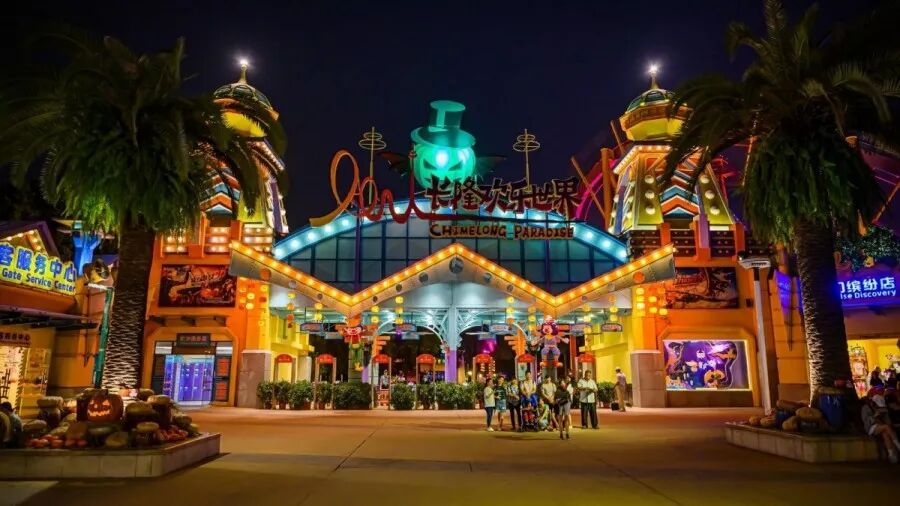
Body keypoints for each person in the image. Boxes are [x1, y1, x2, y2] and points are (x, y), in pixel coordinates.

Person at [861, 389, 900, 463]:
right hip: (871, 427)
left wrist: (883, 414)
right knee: (886, 427)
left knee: (885, 434)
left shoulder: (880, 407)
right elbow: (865, 420)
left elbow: (887, 420)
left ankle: (891, 455)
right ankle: (898, 445)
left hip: (881, 426)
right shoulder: (865, 408)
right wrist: (874, 416)